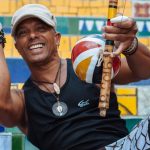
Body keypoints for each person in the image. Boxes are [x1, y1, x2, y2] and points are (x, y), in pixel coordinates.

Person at [0, 3, 150, 150]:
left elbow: (144, 71)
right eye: (22, 33)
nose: (32, 35)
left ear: (57, 38)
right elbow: (2, 104)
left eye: (41, 28)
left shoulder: (90, 63)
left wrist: (131, 45)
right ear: (17, 46)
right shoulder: (22, 100)